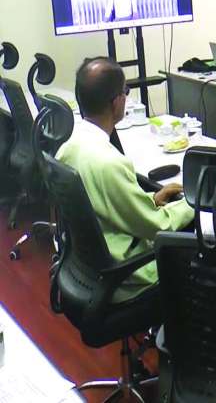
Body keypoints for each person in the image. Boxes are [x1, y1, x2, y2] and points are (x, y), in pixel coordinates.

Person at [56, 57, 193, 302]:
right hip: (126, 275)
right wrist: (193, 200)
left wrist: (151, 199)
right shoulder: (110, 162)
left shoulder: (67, 149)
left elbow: (104, 204)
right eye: (125, 92)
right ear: (117, 101)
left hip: (88, 268)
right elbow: (159, 226)